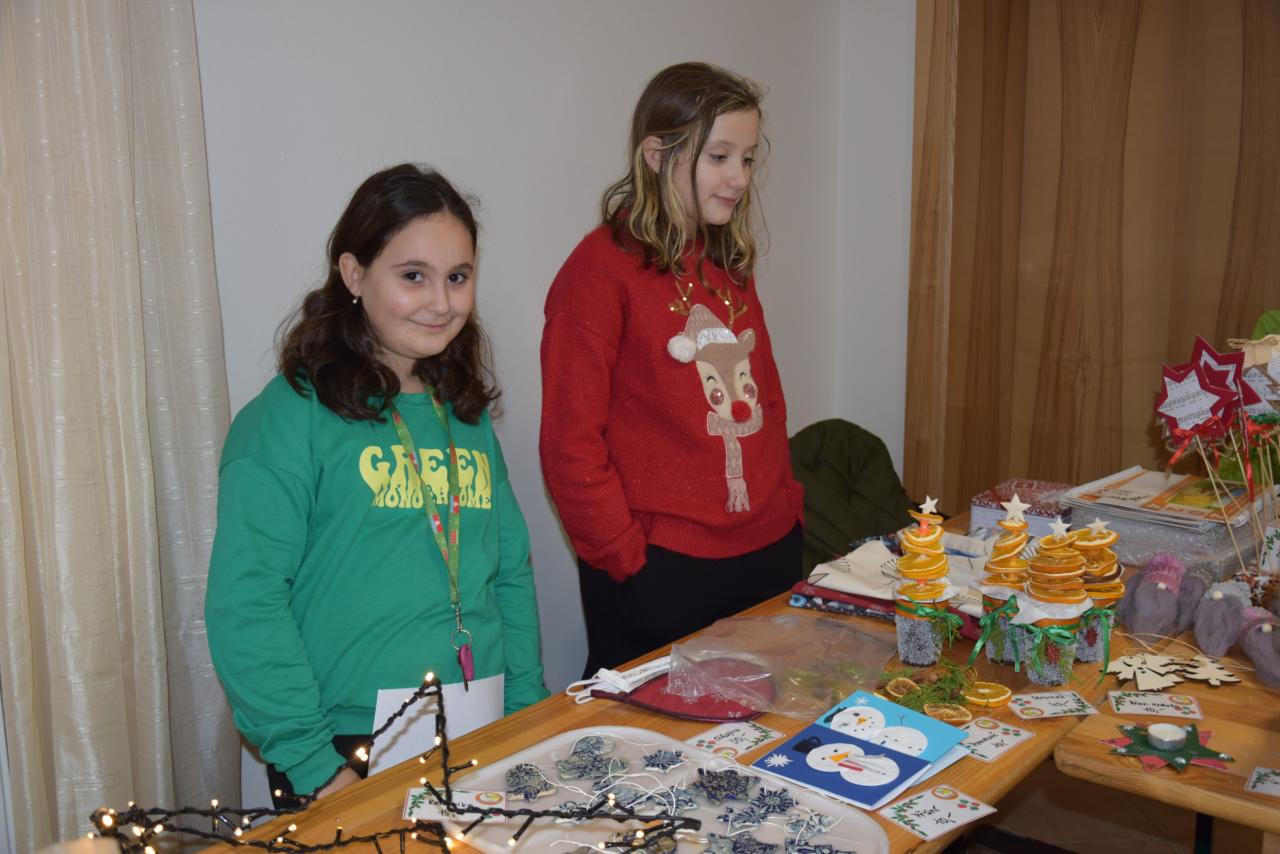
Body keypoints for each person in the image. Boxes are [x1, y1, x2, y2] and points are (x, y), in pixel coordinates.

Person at [206, 164, 548, 804]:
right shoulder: (288, 419)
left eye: (458, 277)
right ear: (354, 274)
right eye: (413, 276)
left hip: (482, 722)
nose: (441, 302)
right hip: (343, 751)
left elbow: (509, 571)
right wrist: (315, 767)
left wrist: (525, 708)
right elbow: (246, 605)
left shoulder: (464, 415)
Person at [540, 62, 804, 678]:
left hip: (767, 553)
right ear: (657, 155)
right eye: (719, 157)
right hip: (661, 574)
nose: (739, 178)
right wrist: (624, 556)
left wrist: (788, 506)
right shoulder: (598, 271)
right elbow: (569, 442)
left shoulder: (728, 262)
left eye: (748, 159)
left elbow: (768, 399)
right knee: (654, 735)